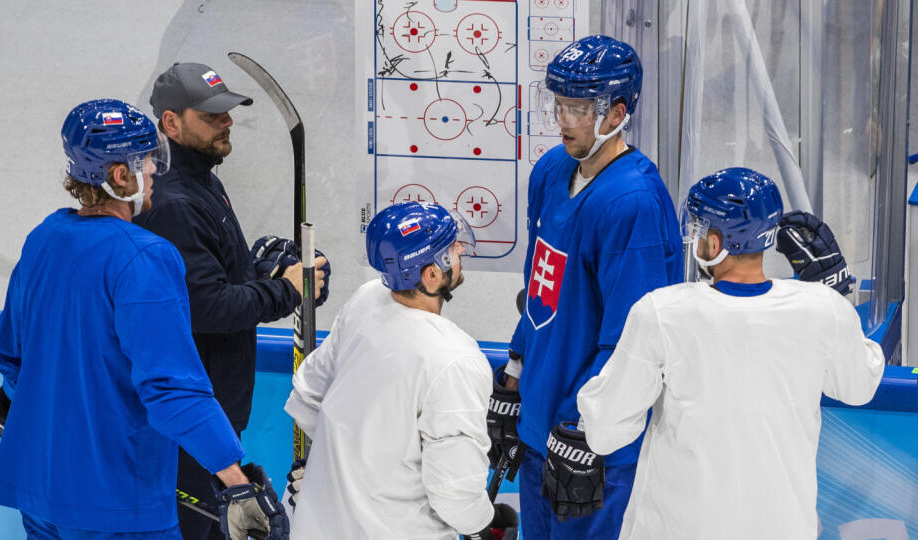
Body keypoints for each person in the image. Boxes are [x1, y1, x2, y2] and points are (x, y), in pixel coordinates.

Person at [0, 99, 288, 540]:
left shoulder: (44, 239)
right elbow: (172, 390)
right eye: (147, 161)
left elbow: (10, 358)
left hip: (38, 490)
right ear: (119, 177)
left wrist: (34, 410)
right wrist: (237, 484)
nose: (155, 172)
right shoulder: (144, 257)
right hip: (116, 504)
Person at [576, 168, 884, 539]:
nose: (694, 236)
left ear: (718, 240)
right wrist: (837, 294)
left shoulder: (663, 314)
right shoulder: (823, 309)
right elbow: (859, 386)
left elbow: (605, 431)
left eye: (698, 228)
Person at [494, 35, 682, 538]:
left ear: (617, 113)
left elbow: (633, 342)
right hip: (541, 427)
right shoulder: (552, 171)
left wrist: (581, 424)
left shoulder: (632, 202)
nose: (562, 118)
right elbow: (539, 289)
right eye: (559, 103)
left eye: (577, 107)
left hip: (596, 449)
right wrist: (514, 372)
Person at [133, 62, 327, 540]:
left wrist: (265, 270)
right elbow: (208, 308)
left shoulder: (203, 182)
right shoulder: (175, 202)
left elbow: (210, 278)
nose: (227, 121)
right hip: (191, 420)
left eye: (228, 111)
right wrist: (287, 289)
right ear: (171, 123)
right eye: (212, 115)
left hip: (212, 411)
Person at [284, 201, 518, 540]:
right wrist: (485, 521)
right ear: (432, 274)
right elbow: (454, 493)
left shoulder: (367, 299)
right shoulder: (456, 360)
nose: (461, 250)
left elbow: (307, 395)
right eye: (452, 248)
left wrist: (345, 471)